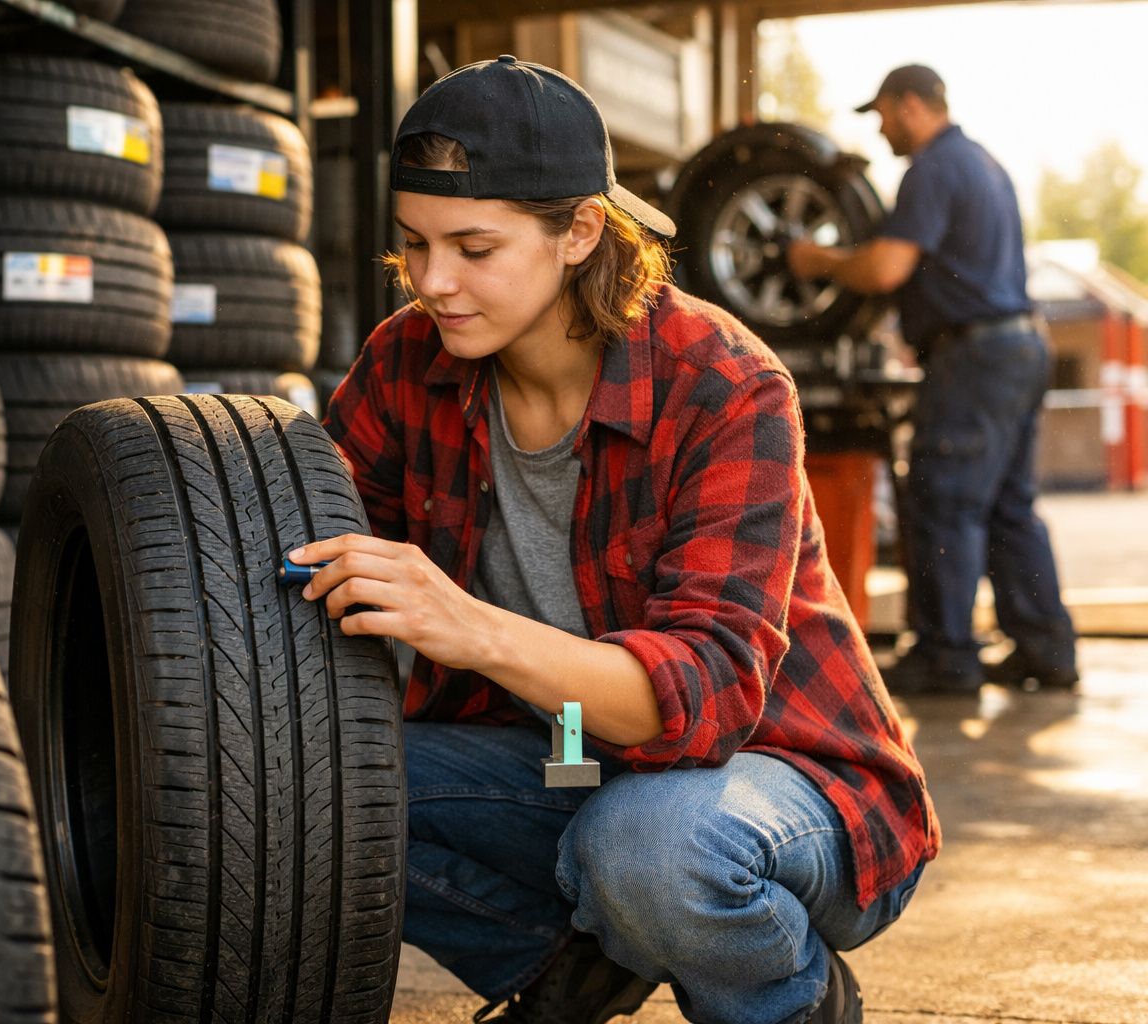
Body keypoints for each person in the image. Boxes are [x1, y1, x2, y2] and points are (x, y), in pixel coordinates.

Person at [288, 56, 938, 1024]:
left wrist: (469, 628)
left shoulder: (723, 383)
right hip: (570, 756)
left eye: (474, 247)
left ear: (580, 230)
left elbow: (707, 697)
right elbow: (301, 558)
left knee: (648, 847)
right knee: (290, 784)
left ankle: (787, 1002)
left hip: (783, 780)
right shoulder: (404, 362)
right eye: (414, 245)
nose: (432, 282)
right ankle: (568, 964)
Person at [788, 64, 1078, 695]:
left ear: (912, 104)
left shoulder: (933, 168)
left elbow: (887, 268)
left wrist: (818, 261)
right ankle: (1046, 651)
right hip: (1019, 345)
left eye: (885, 114)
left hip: (975, 355)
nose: (883, 128)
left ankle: (947, 658)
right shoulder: (982, 162)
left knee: (943, 501)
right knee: (1008, 508)